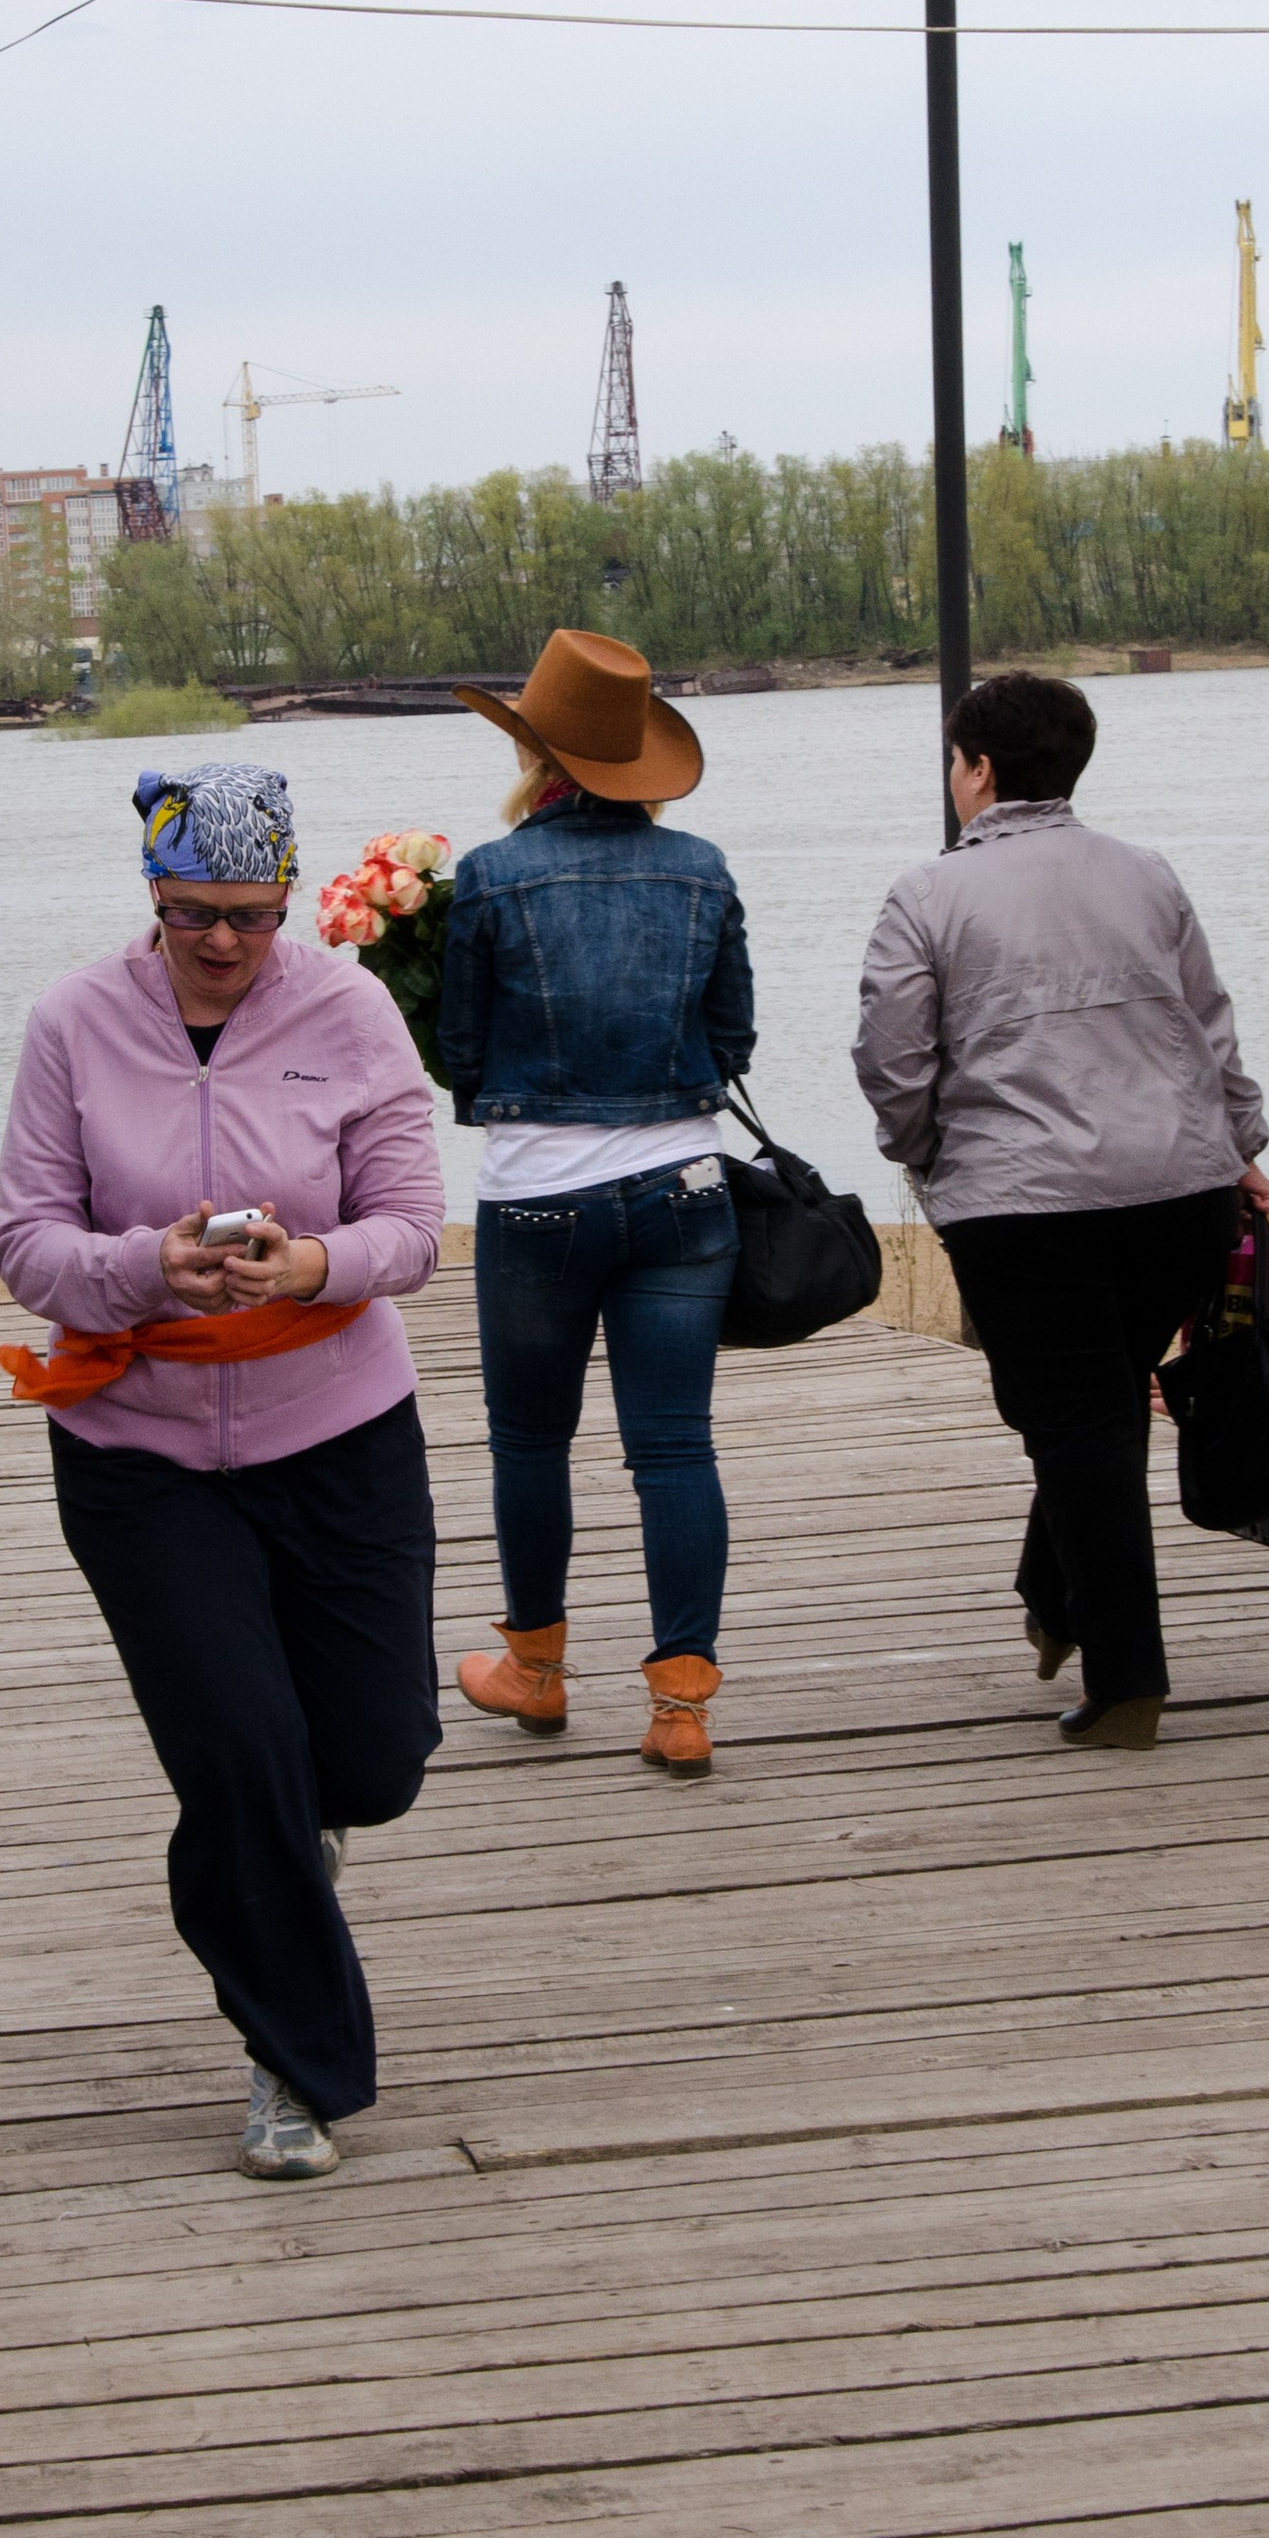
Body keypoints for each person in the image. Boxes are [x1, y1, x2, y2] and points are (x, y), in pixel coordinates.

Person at [0, 757, 446, 2180]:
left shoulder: (352, 1010)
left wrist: (313, 1261)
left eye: (251, 913)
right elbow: (23, 1241)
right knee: (242, 1758)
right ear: (152, 894)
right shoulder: (73, 1022)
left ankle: (287, 1855)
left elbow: (417, 1228)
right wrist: (142, 1270)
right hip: (140, 1454)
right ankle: (290, 2070)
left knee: (369, 1763)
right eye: (195, 915)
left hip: (340, 1431)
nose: (228, 943)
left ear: (293, 895)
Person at [851, 669, 1269, 1751]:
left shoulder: (926, 895)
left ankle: (1127, 1676)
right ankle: (1051, 1595)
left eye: (955, 761)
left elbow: (892, 1058)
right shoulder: (1148, 875)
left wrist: (926, 1155)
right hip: (1178, 1192)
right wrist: (1242, 1149)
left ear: (979, 770)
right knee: (1096, 1404)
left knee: (1079, 1419)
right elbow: (1208, 1026)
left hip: (1022, 1205)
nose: (953, 780)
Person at [438, 627, 755, 1776]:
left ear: (533, 751)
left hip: (537, 1199)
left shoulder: (490, 874)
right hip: (684, 1190)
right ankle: (680, 1705)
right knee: (673, 1446)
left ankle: (536, 1669)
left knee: (531, 1439)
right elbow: (735, 1038)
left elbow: (461, 1054)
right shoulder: (703, 867)